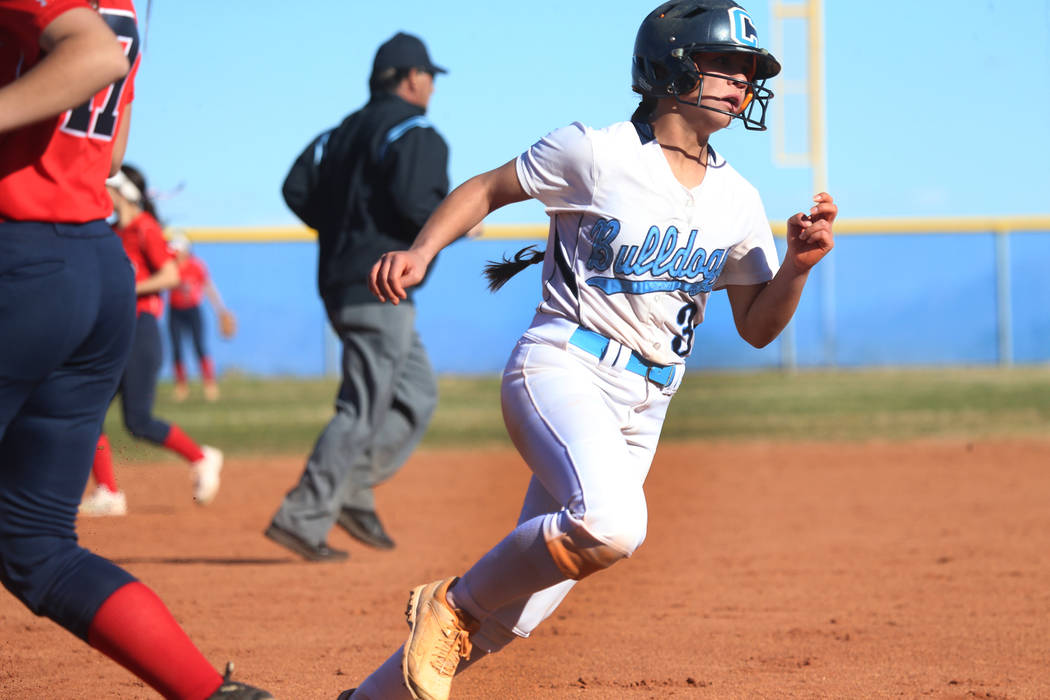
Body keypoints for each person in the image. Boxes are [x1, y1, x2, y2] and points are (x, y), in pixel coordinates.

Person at [342, 2, 837, 699]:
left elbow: (756, 325)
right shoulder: (596, 152)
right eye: (723, 63)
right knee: (611, 525)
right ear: (670, 66)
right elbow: (489, 187)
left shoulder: (738, 200)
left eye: (748, 71)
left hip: (647, 406)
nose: (740, 82)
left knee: (517, 613)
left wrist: (796, 267)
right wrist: (423, 250)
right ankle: (447, 604)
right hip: (563, 366)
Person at [0, 1, 273, 697]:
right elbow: (112, 151)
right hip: (93, 265)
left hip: (21, 257)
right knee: (36, 545)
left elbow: (93, 57)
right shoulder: (120, 5)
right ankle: (210, 694)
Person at [264, 31, 448, 561]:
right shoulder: (416, 131)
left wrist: (345, 231)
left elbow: (294, 188)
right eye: (430, 76)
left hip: (343, 281)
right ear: (412, 78)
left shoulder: (337, 134)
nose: (433, 86)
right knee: (363, 407)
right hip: (380, 286)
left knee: (417, 395)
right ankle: (304, 514)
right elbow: (418, 203)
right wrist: (449, 226)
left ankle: (351, 489)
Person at [78, 164, 225, 516]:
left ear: (122, 190)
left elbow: (171, 275)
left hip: (140, 329)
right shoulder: (112, 233)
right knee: (88, 413)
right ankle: (108, 493)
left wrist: (124, 290)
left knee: (138, 420)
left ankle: (201, 457)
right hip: (112, 330)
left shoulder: (145, 228)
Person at [167, 229, 236, 403]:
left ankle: (209, 384)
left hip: (193, 309)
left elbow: (208, 287)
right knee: (177, 348)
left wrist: (220, 309)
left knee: (199, 346)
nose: (176, 254)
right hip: (174, 310)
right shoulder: (169, 266)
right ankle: (181, 387)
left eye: (178, 250)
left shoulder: (196, 265)